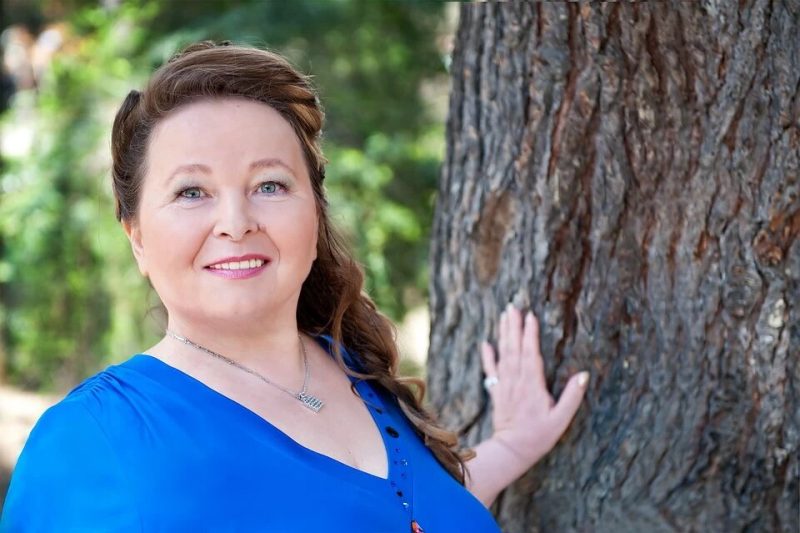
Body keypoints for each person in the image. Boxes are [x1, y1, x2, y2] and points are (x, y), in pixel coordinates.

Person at [0, 41, 588, 532]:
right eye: (191, 192)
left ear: (314, 214)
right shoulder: (89, 443)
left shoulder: (359, 374)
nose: (236, 222)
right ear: (137, 239)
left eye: (270, 185)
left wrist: (511, 446)